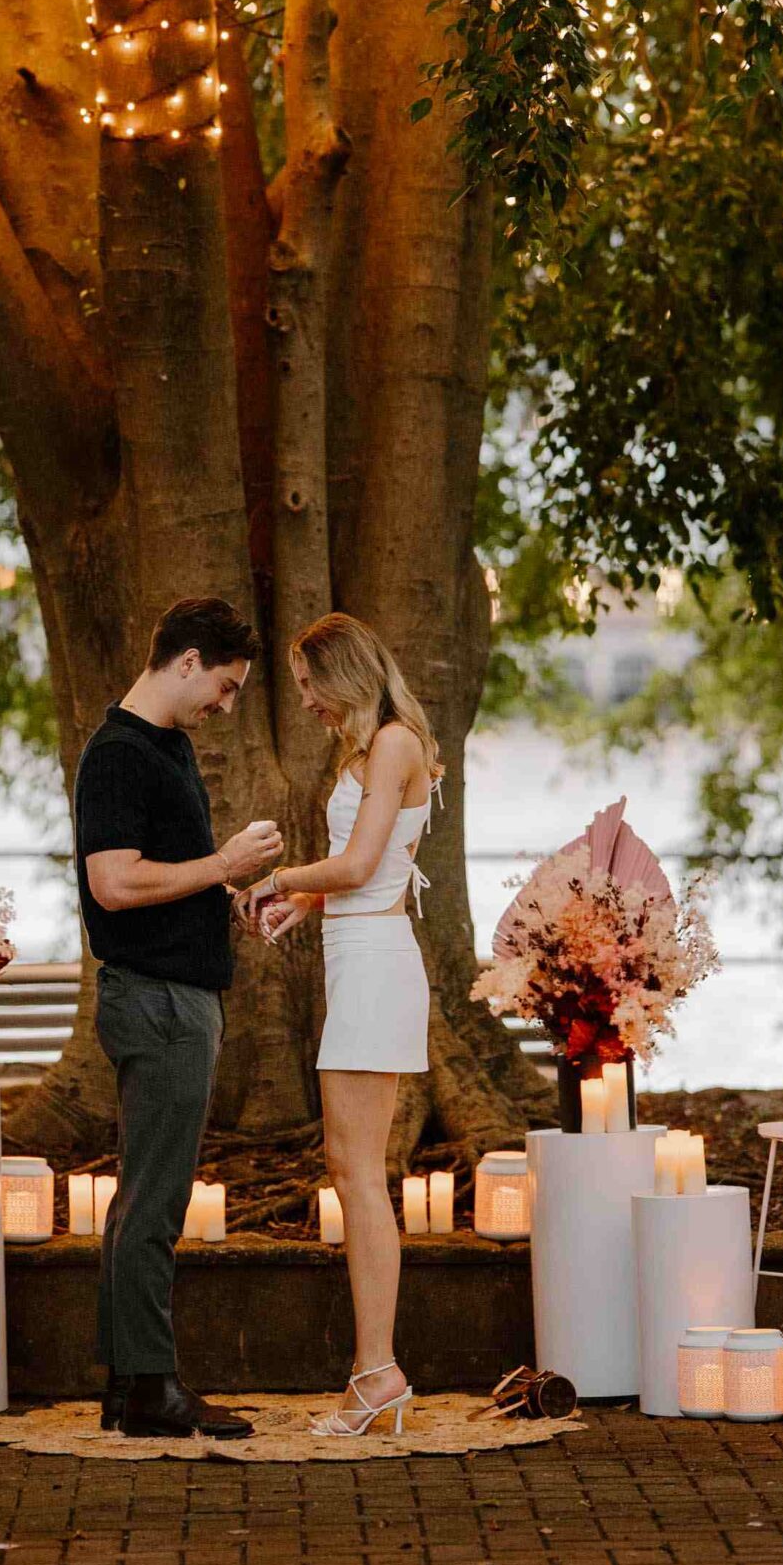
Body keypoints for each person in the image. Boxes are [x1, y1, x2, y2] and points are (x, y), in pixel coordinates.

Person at [76, 594, 281, 1439]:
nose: (226, 706)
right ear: (187, 662)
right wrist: (221, 862)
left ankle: (128, 1386)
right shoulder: (119, 754)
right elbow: (114, 884)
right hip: (156, 1002)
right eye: (226, 687)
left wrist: (228, 893)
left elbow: (164, 874)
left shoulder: (165, 748)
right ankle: (152, 1387)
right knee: (154, 1203)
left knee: (143, 1199)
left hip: (176, 993)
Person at [244, 611, 439, 1437]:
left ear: (343, 674)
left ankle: (377, 1373)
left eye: (308, 685)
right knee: (349, 1168)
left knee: (358, 1174)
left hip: (374, 965)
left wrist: (261, 873)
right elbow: (366, 874)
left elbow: (362, 866)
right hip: (355, 957)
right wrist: (302, 902)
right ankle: (374, 1370)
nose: (306, 702)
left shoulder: (393, 744)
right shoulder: (367, 751)